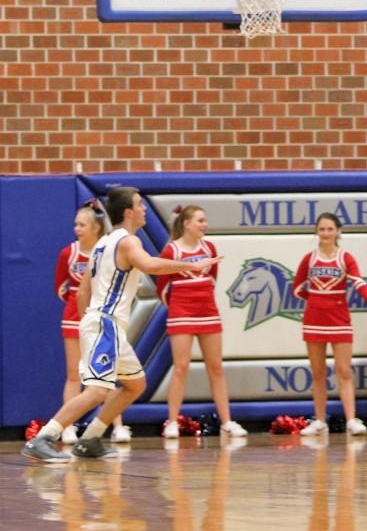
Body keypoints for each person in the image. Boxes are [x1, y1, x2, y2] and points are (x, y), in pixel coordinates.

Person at [23, 187, 223, 462]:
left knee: (135, 385)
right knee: (98, 390)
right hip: (105, 324)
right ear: (128, 212)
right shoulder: (128, 242)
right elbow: (150, 265)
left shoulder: (101, 244)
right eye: (140, 205)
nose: (143, 209)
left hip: (104, 324)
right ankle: (44, 437)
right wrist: (191, 265)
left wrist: (88, 324)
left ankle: (91, 437)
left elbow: (82, 292)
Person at [292, 213, 367, 436]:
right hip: (314, 321)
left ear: (338, 231)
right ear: (316, 232)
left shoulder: (345, 258)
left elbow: (359, 284)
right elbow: (297, 288)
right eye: (322, 229)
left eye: (330, 229)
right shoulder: (309, 259)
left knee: (344, 371)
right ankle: (319, 420)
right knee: (318, 373)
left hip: (339, 320)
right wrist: (317, 300)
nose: (326, 233)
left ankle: (351, 420)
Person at [156, 206, 247, 439]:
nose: (204, 225)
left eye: (205, 221)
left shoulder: (210, 248)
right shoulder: (171, 251)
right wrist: (178, 309)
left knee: (216, 368)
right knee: (181, 368)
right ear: (186, 223)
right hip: (181, 313)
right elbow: (162, 288)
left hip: (208, 311)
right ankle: (172, 422)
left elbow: (212, 278)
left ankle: (227, 422)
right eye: (200, 221)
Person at [54, 200, 131, 445]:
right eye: (75, 224)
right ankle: (67, 427)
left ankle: (115, 426)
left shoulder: (106, 249)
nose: (77, 228)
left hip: (101, 318)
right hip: (74, 318)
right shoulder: (69, 252)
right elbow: (60, 287)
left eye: (82, 224)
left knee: (107, 376)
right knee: (73, 374)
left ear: (96, 227)